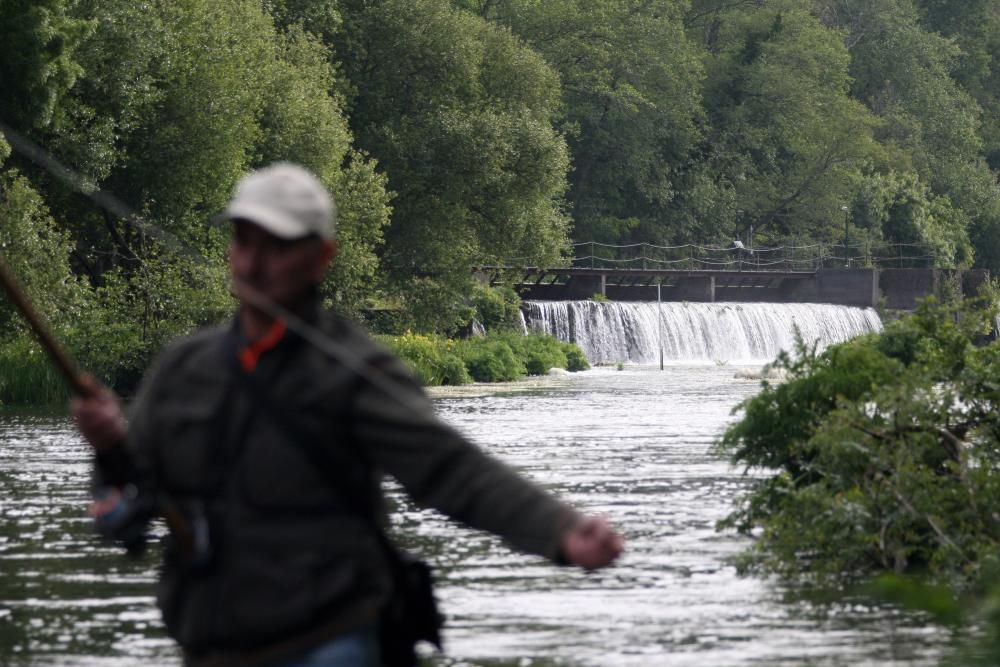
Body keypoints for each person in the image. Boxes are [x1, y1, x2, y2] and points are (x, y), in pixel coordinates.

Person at [72, 163, 624, 667]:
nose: (255, 262)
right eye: (244, 241)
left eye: (278, 245)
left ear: (322, 257)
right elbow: (126, 502)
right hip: (212, 647)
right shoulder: (182, 369)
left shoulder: (358, 370)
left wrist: (560, 529)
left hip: (334, 641)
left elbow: (451, 471)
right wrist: (108, 452)